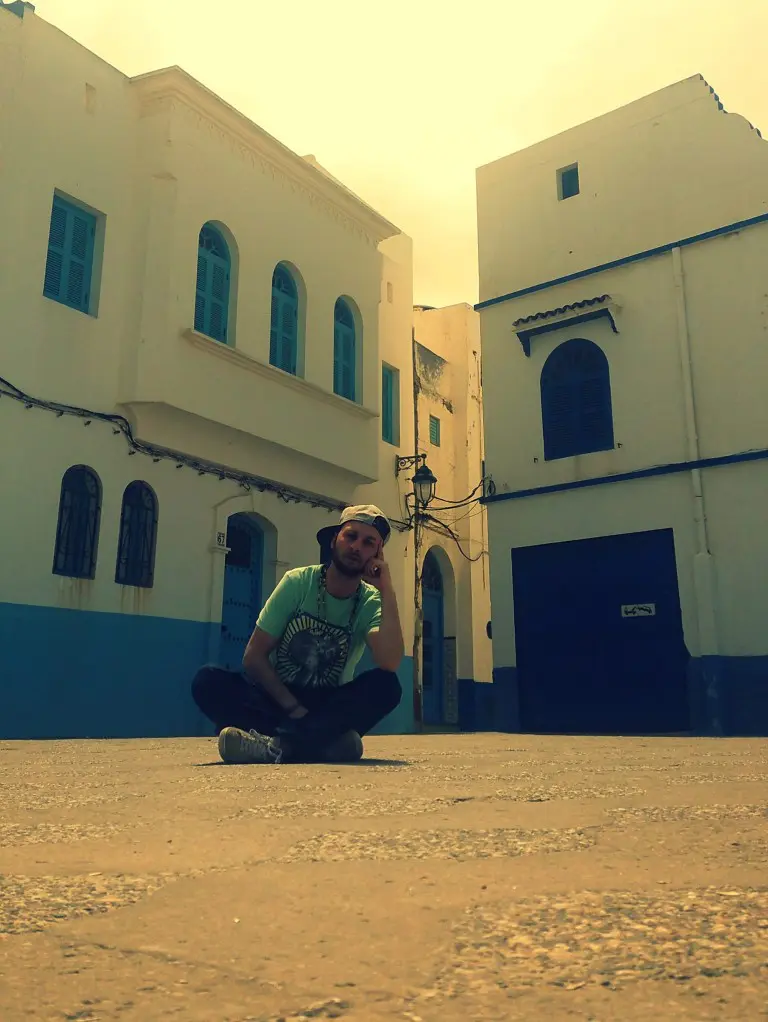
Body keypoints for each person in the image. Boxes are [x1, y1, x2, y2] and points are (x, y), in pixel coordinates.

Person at [191, 505, 404, 764]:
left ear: (377, 555)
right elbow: (254, 657)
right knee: (208, 680)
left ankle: (276, 746)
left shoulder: (371, 600)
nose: (356, 547)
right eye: (351, 536)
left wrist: (386, 589)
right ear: (334, 540)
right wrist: (294, 708)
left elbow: (389, 662)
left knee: (387, 686)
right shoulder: (298, 582)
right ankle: (323, 746)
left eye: (368, 542)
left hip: (327, 706)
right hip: (277, 698)